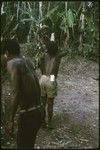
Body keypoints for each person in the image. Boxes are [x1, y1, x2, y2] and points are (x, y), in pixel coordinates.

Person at [1, 39, 45, 149]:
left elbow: (16, 92)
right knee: (28, 144)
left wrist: (10, 120)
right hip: (39, 111)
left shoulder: (12, 63)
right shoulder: (26, 60)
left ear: (6, 53)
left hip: (29, 115)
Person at [39, 41, 70, 129]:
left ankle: (42, 122)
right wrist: (67, 48)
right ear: (56, 49)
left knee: (42, 103)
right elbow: (65, 52)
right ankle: (49, 123)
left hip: (43, 77)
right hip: (51, 78)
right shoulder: (58, 56)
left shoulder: (43, 56)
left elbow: (41, 66)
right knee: (50, 103)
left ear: (47, 49)